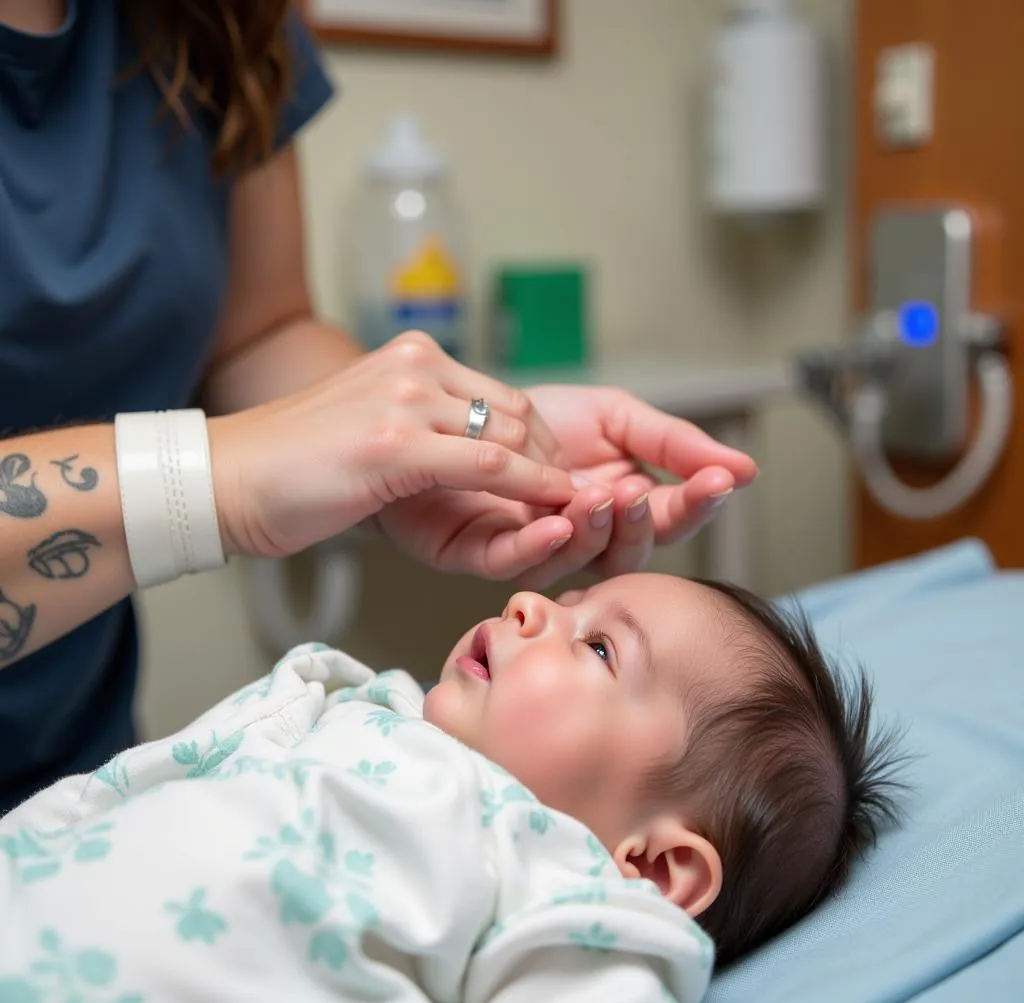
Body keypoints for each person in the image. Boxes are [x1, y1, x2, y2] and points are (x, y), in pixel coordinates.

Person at [0, 1, 759, 815]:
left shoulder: (222, 19)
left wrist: (454, 441)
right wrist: (215, 482)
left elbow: (258, 333)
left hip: (67, 788)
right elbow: (235, 460)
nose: (532, 606)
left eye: (600, 642)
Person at [0, 572, 906, 1003]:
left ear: (657, 865)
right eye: (571, 597)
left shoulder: (561, 890)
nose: (528, 603)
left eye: (599, 649)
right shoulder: (363, 709)